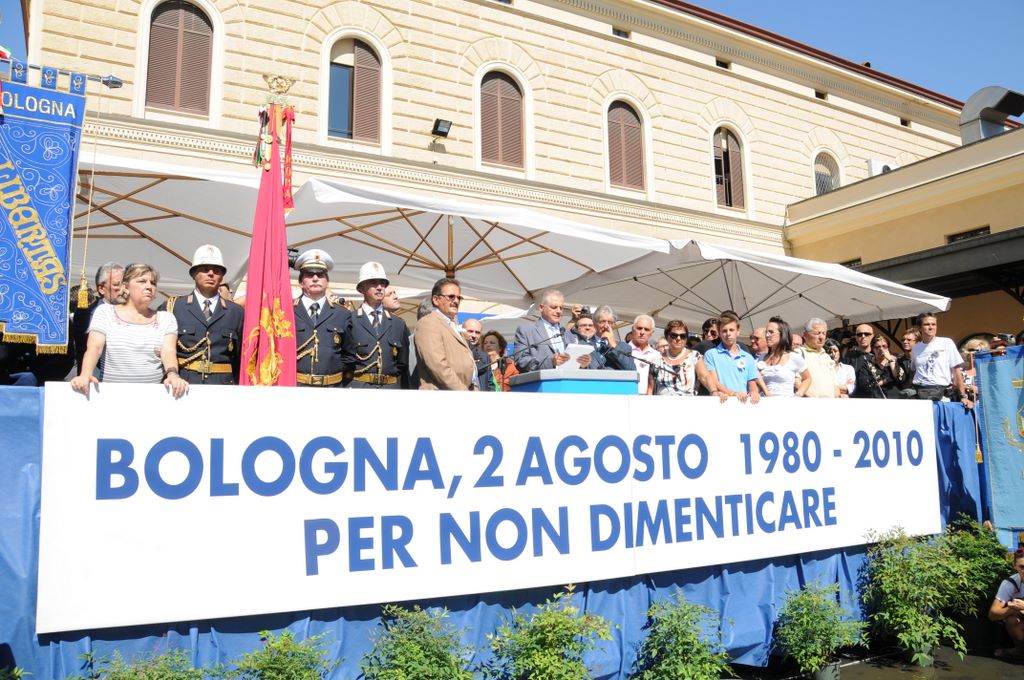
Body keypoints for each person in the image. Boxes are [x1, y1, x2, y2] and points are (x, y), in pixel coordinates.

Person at [71, 263, 187, 398]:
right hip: (110, 395)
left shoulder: (166, 318)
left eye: (153, 283)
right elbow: (95, 348)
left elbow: (168, 351)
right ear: (126, 287)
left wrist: (173, 375)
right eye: (142, 281)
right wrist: (85, 374)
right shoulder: (105, 312)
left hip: (152, 396)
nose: (149, 287)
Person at [160, 245, 244, 385]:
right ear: (193, 274)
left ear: (222, 277)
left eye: (217, 270)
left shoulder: (236, 312)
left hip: (222, 385)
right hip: (183, 384)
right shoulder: (174, 307)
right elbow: (162, 350)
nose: (211, 274)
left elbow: (240, 357)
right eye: (205, 269)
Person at [342, 261, 410, 389]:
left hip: (390, 389)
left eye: (382, 283)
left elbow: (403, 364)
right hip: (359, 388)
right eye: (373, 283)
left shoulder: (398, 324)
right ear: (362, 288)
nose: (379, 287)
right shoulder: (350, 320)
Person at [291, 249, 350, 387]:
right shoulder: (288, 311)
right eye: (309, 275)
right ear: (301, 282)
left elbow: (349, 355)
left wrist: (333, 372)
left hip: (332, 387)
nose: (315, 278)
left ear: (327, 281)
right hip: (297, 387)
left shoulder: (342, 314)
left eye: (320, 275)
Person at [414, 278, 477, 390]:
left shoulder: (451, 324)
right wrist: (463, 391)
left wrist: (473, 388)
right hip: (442, 393)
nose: (456, 301)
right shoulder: (428, 323)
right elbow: (438, 365)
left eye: (459, 297)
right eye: (451, 297)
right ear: (436, 300)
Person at [513, 289, 590, 372]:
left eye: (561, 308)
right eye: (554, 307)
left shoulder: (568, 333)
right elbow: (521, 361)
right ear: (541, 308)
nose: (558, 311)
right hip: (541, 379)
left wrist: (582, 364)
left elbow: (574, 364)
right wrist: (550, 362)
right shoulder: (526, 331)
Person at [71, 261, 124, 376]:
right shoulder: (88, 314)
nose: (123, 289)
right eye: (117, 285)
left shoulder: (137, 312)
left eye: (125, 284)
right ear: (101, 289)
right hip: (98, 376)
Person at [911, 313, 970, 406]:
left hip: (940, 393)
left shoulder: (946, 342)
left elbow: (956, 371)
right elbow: (914, 371)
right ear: (919, 328)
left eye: (933, 324)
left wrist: (963, 396)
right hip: (919, 391)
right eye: (927, 324)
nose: (931, 327)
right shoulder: (916, 348)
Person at [703, 311, 760, 403]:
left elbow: (751, 381)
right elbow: (713, 381)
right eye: (724, 331)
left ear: (738, 331)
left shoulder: (748, 357)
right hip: (721, 402)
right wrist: (733, 394)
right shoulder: (711, 354)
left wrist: (754, 392)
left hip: (743, 403)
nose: (728, 334)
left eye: (731, 330)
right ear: (719, 333)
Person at [650, 320, 714, 396]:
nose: (678, 338)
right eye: (674, 335)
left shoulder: (694, 356)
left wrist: (714, 391)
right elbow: (650, 388)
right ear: (667, 337)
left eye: (683, 336)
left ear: (686, 338)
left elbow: (704, 376)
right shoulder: (656, 359)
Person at [759, 317, 809, 397]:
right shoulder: (761, 358)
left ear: (782, 334)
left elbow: (807, 379)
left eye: (771, 332)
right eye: (766, 332)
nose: (767, 335)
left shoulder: (793, 357)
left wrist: (798, 395)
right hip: (765, 402)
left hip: (786, 402)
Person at [989, 549, 1024, 660]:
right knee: (1011, 619)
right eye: (1022, 567)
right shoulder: (1010, 583)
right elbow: (993, 615)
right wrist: (1012, 609)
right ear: (1015, 566)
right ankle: (1020, 650)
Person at [800, 318, 837, 398]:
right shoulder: (798, 354)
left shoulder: (827, 357)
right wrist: (813, 399)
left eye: (824, 333)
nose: (821, 337)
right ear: (805, 335)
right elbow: (796, 382)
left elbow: (834, 384)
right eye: (817, 333)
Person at [592, 305, 636, 371]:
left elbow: (631, 370)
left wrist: (614, 346)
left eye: (610, 322)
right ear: (594, 323)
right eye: (602, 321)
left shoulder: (624, 347)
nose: (606, 326)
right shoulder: (584, 344)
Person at [628, 314, 661, 395]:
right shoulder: (623, 352)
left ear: (652, 333)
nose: (642, 332)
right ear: (633, 329)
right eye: (639, 328)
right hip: (628, 396)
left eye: (646, 329)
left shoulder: (657, 355)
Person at [461, 317, 494, 390]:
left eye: (477, 332)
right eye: (470, 331)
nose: (474, 335)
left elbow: (490, 384)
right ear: (461, 331)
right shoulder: (455, 352)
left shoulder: (485, 357)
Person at [897, 327, 920, 392]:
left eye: (909, 340)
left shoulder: (923, 359)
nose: (905, 342)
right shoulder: (898, 360)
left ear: (917, 342)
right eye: (903, 340)